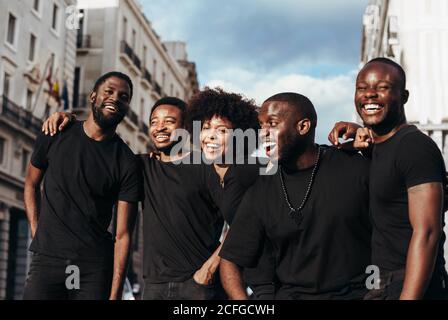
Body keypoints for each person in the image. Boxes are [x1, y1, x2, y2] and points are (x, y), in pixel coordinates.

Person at [219, 92, 372, 300]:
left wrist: (369, 138)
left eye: (272, 124)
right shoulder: (262, 187)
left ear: (303, 127)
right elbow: (230, 260)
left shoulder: (355, 168)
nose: (263, 133)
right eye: (261, 125)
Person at [328, 57, 448, 300]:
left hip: (410, 284)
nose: (369, 95)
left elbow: (427, 232)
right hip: (379, 283)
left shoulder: (415, 147)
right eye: (362, 88)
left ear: (403, 96)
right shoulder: (377, 147)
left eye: (382, 88)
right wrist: (351, 143)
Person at [23, 71, 142, 300]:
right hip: (48, 260)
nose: (115, 98)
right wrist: (37, 231)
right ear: (93, 96)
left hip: (92, 266)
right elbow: (30, 184)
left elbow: (123, 234)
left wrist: (115, 294)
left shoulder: (127, 161)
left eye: (124, 96)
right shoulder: (56, 132)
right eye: (109, 91)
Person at [186, 87, 277, 299]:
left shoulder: (245, 170)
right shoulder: (215, 173)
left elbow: (239, 232)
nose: (211, 136)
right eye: (206, 127)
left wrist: (209, 267)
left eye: (222, 130)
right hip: (255, 278)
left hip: (273, 279)